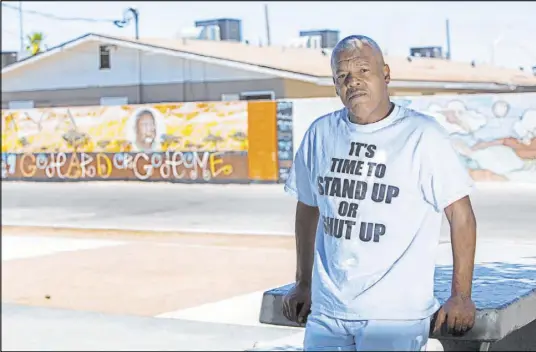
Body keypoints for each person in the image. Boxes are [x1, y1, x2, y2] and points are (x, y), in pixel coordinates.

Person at [282, 35, 477, 351]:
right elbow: (307, 209)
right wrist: (303, 283)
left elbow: (461, 215)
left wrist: (461, 296)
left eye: (363, 71)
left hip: (395, 317)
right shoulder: (320, 134)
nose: (353, 82)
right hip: (328, 312)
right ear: (334, 84)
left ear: (385, 74)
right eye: (343, 76)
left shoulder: (422, 136)